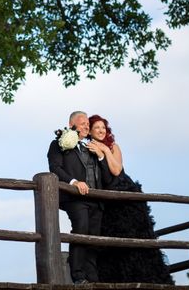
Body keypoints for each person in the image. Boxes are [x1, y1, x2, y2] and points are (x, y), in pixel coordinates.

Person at [87, 114, 173, 284]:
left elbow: (117, 170)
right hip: (106, 198)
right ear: (90, 130)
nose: (101, 130)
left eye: (103, 127)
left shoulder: (113, 147)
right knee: (111, 241)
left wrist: (104, 150)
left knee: (137, 236)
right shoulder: (88, 146)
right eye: (96, 127)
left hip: (125, 193)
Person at [47, 110, 112, 284]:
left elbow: (106, 176)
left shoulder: (92, 146)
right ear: (71, 125)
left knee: (94, 239)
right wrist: (74, 182)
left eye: (87, 124)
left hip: (96, 199)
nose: (86, 126)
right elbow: (55, 168)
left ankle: (92, 278)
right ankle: (78, 275)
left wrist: (100, 155)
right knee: (81, 230)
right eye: (82, 123)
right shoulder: (58, 144)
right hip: (74, 198)